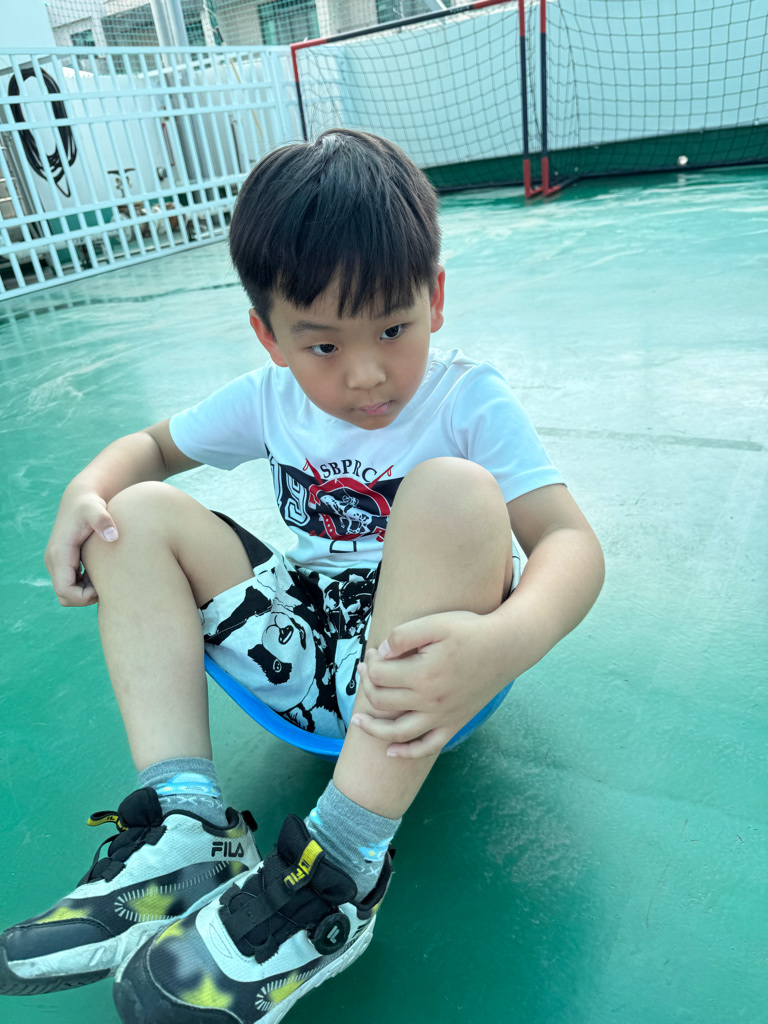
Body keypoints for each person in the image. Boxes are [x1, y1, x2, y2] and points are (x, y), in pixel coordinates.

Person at [0, 129, 604, 1022]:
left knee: (453, 490)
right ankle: (186, 826)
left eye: (394, 329)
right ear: (270, 335)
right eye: (322, 346)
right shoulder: (267, 398)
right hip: (310, 647)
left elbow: (572, 544)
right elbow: (152, 447)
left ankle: (342, 868)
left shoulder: (466, 399)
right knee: (131, 515)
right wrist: (84, 491)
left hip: (433, 663)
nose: (367, 373)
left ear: (435, 299)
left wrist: (506, 642)